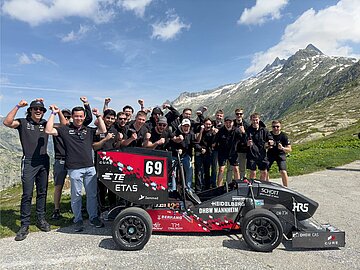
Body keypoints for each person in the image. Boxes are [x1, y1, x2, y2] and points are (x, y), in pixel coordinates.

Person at [45, 105, 107, 232]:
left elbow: (103, 129)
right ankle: (77, 219)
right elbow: (48, 130)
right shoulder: (65, 130)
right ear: (72, 117)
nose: (78, 118)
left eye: (81, 116)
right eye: (76, 116)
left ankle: (93, 217)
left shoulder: (88, 130)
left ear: (84, 117)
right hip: (74, 168)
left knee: (92, 194)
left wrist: (98, 115)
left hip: (90, 167)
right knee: (76, 195)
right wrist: (53, 113)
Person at [3, 98, 51, 241]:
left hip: (44, 161)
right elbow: (7, 122)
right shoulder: (23, 122)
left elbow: (64, 124)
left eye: (41, 109)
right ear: (30, 110)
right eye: (35, 109)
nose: (38, 111)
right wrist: (18, 105)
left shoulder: (45, 123)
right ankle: (24, 225)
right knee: (27, 194)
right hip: (29, 161)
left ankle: (41, 220)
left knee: (42, 192)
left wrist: (56, 112)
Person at [51, 97, 93, 220]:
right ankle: (56, 209)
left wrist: (86, 104)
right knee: (59, 185)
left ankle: (81, 209)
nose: (67, 119)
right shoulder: (59, 129)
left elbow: (88, 118)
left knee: (79, 189)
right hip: (60, 159)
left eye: (68, 116)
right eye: (65, 116)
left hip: (74, 161)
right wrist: (56, 112)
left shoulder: (71, 129)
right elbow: (51, 127)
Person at [93, 109, 122, 216]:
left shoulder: (115, 131)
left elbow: (115, 146)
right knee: (101, 187)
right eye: (108, 118)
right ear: (104, 118)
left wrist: (118, 141)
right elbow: (94, 146)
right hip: (99, 162)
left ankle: (112, 208)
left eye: (112, 118)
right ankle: (99, 209)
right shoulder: (98, 130)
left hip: (112, 162)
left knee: (112, 186)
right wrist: (105, 139)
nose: (110, 120)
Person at [170, 118, 201, 191]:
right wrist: (176, 149)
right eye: (184, 126)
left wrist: (201, 149)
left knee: (189, 169)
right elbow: (170, 144)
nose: (186, 128)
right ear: (181, 126)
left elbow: (194, 144)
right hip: (174, 156)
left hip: (185, 156)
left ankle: (188, 188)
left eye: (187, 126)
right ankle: (173, 189)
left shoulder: (191, 134)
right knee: (173, 172)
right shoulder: (176, 132)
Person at [213, 116, 243, 186]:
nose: (228, 124)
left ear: (233, 123)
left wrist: (243, 133)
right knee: (221, 169)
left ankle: (237, 186)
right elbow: (215, 141)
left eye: (230, 122)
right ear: (224, 123)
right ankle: (219, 187)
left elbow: (243, 140)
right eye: (226, 123)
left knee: (236, 169)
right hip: (222, 152)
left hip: (233, 152)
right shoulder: (221, 130)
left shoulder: (237, 130)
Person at [246, 112, 274, 180]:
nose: (255, 121)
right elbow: (244, 142)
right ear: (251, 120)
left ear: (259, 119)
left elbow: (271, 140)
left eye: (256, 120)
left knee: (264, 172)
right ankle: (252, 188)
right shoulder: (248, 130)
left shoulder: (264, 130)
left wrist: (270, 142)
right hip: (252, 154)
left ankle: (262, 187)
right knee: (253, 172)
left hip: (262, 154)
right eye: (253, 120)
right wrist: (247, 143)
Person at [194, 117, 217, 191]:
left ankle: (207, 187)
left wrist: (214, 134)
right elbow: (197, 141)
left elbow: (213, 143)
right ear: (203, 124)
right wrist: (201, 130)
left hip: (208, 153)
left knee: (207, 171)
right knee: (199, 171)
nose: (208, 126)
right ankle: (198, 189)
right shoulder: (199, 130)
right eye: (207, 124)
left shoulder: (212, 132)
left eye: (209, 124)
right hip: (199, 152)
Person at [267, 120, 292, 187]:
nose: (275, 128)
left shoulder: (284, 136)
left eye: (277, 127)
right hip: (270, 154)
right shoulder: (269, 135)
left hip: (280, 154)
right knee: (265, 170)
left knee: (283, 171)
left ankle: (286, 188)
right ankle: (267, 185)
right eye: (274, 127)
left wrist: (283, 148)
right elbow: (264, 145)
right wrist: (268, 145)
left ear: (280, 127)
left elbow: (289, 149)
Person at [233, 108, 250, 179]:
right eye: (237, 114)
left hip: (243, 150)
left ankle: (243, 184)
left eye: (240, 114)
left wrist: (243, 133)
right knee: (234, 169)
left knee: (242, 169)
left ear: (243, 115)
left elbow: (248, 138)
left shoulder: (246, 125)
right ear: (235, 115)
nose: (239, 115)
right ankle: (234, 183)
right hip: (233, 150)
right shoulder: (232, 123)